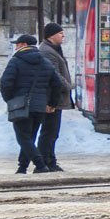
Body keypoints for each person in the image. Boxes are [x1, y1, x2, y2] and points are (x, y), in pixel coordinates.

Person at [0, 34, 60, 174]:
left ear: (23, 45)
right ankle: (22, 167)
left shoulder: (16, 61)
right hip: (39, 106)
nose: (15, 47)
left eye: (17, 44)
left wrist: (10, 100)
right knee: (30, 137)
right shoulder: (45, 62)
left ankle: (40, 165)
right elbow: (56, 84)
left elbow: (5, 83)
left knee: (23, 137)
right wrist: (52, 103)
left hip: (21, 105)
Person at [37, 22, 73, 172]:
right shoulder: (47, 51)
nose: (63, 36)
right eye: (60, 33)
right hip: (52, 99)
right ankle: (44, 162)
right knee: (49, 132)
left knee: (52, 132)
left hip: (55, 98)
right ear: (51, 35)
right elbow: (54, 75)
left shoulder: (54, 49)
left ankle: (49, 160)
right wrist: (68, 86)